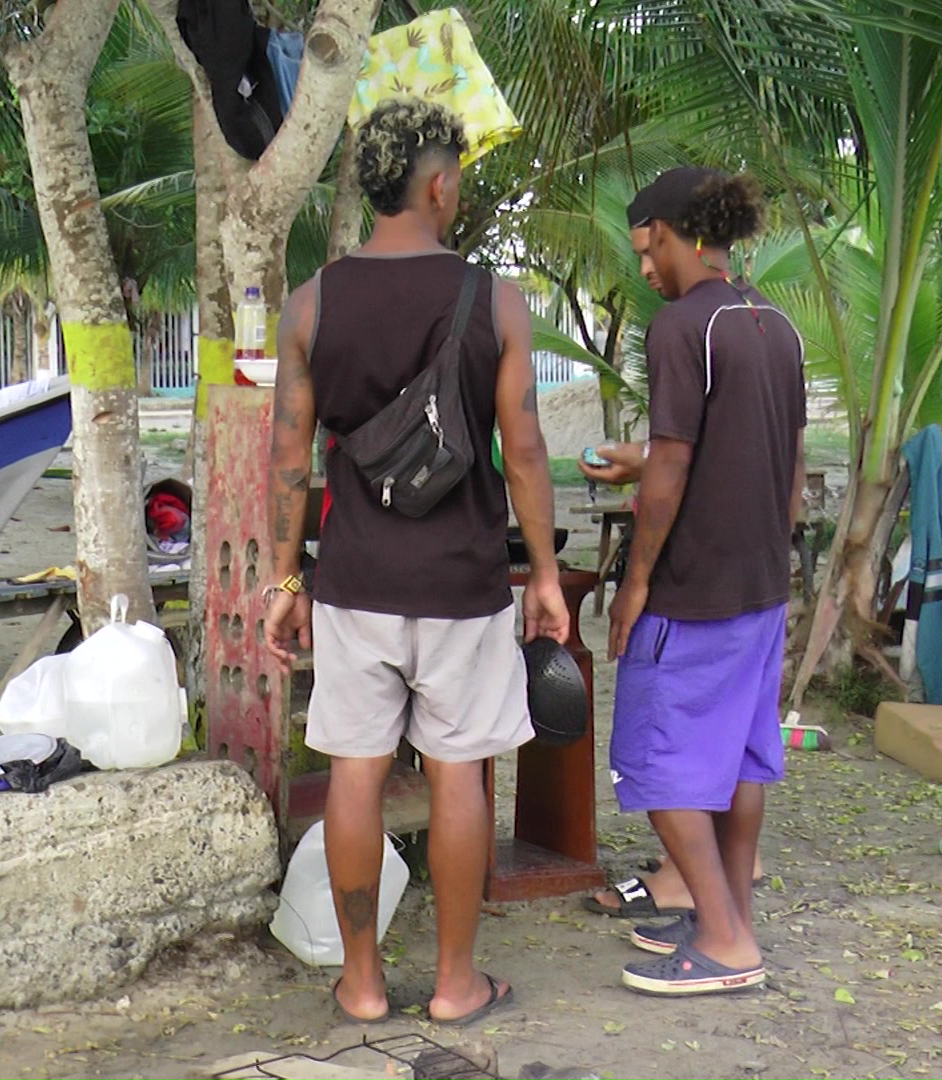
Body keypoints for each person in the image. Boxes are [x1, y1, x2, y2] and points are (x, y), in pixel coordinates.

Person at [262, 98, 568, 1027]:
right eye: (459, 179)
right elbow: (523, 452)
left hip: (355, 584)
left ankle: (360, 984)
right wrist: (547, 574)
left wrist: (285, 580)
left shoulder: (310, 305)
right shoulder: (495, 302)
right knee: (458, 773)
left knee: (355, 772)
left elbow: (286, 455)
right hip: (462, 584)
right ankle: (454, 983)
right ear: (438, 184)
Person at [578, 166, 806, 996]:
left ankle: (723, 940)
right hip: (759, 587)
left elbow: (674, 463)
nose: (646, 268)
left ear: (680, 236)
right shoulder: (775, 325)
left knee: (660, 762)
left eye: (650, 248)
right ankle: (729, 915)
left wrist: (635, 584)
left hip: (693, 590)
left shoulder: (680, 328)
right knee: (742, 763)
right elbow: (781, 461)